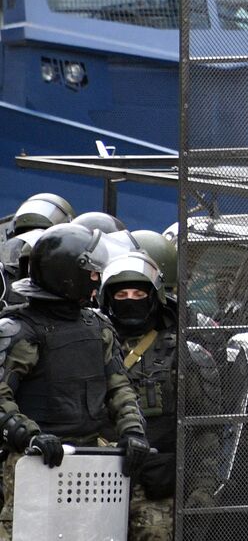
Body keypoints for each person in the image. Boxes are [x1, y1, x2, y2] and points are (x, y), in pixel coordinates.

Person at [0, 224, 148, 541]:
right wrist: (30, 436)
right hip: (35, 460)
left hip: (93, 459)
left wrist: (133, 431)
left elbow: (119, 388)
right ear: (67, 275)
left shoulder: (98, 326)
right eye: (91, 273)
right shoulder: (19, 331)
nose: (97, 279)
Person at [99, 250, 221, 541]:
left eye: (138, 294)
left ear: (154, 297)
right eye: (122, 293)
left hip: (157, 484)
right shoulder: (89, 345)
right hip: (96, 480)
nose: (129, 300)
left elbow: (207, 430)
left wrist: (203, 488)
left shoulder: (183, 355)